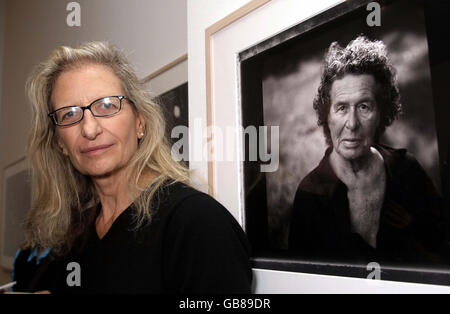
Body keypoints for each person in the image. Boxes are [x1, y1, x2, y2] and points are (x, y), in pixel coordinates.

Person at [22, 41, 252, 294]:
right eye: (69, 114)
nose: (89, 129)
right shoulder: (77, 235)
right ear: (60, 143)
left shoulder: (197, 223)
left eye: (107, 105)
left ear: (140, 122)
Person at [288, 36, 449, 266]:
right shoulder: (310, 195)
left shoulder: (407, 171)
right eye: (341, 108)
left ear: (382, 113)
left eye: (364, 107)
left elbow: (442, 250)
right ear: (327, 116)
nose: (352, 123)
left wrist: (413, 231)